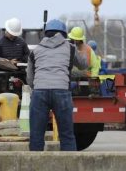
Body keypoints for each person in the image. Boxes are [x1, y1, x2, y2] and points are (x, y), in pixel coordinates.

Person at [27, 19, 89, 152]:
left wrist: (38, 87)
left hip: (39, 92)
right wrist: (81, 47)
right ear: (64, 34)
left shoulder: (35, 51)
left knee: (36, 135)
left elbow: (30, 78)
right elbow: (84, 65)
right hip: (62, 92)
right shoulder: (71, 48)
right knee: (67, 135)